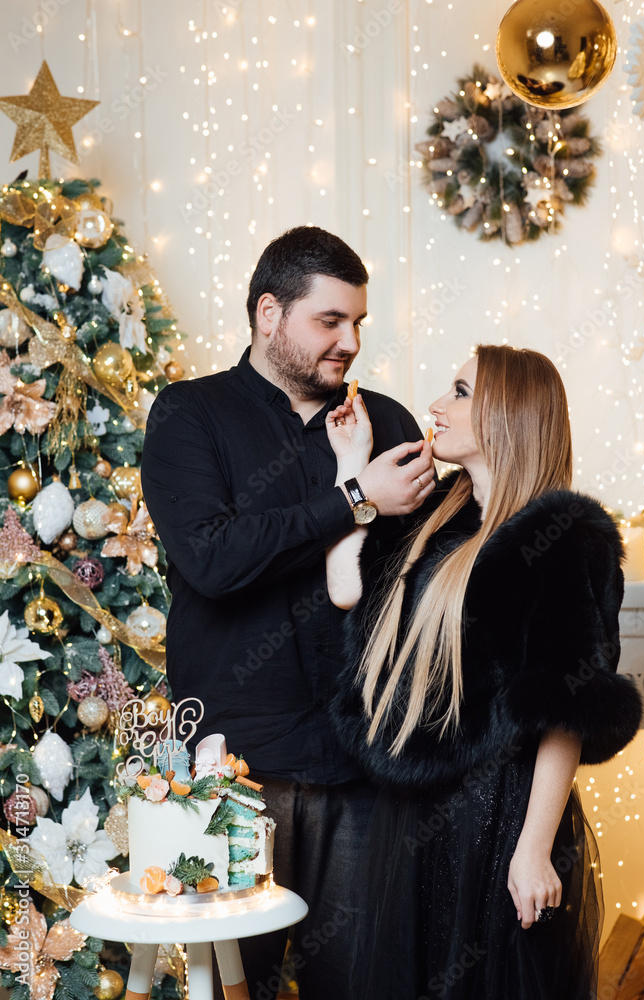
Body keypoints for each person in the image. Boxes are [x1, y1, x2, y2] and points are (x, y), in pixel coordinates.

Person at [140, 225, 436, 1000]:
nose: (348, 342)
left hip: (363, 763)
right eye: (328, 321)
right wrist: (353, 499)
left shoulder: (390, 426)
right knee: (242, 984)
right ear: (269, 314)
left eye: (357, 324)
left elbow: (425, 580)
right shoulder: (189, 415)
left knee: (369, 979)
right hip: (235, 771)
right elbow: (212, 559)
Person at [324, 344, 643, 1000]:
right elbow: (341, 586)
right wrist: (351, 469)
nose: (436, 406)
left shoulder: (565, 534)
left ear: (508, 414)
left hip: (502, 814)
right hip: (415, 813)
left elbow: (564, 710)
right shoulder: (432, 515)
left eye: (460, 391)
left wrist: (531, 848)